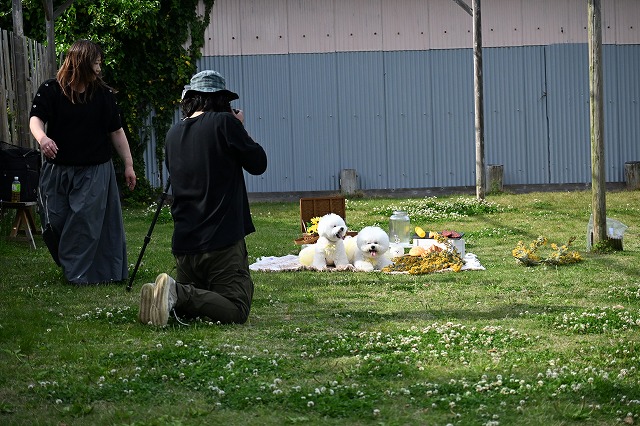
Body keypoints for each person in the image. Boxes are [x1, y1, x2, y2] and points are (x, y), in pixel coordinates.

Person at [139, 70, 267, 326]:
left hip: (185, 245)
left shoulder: (173, 133)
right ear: (222, 100)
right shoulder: (225, 123)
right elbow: (258, 163)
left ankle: (166, 296)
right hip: (221, 242)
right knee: (236, 308)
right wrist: (240, 126)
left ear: (190, 99)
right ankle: (176, 292)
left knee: (197, 307)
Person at [29, 39, 136, 284]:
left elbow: (116, 131)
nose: (99, 69)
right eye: (95, 63)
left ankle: (77, 274)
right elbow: (36, 119)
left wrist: (128, 165)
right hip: (57, 169)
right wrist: (43, 139)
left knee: (83, 223)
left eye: (99, 63)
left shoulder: (103, 95)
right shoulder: (51, 90)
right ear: (81, 64)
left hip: (94, 170)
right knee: (53, 221)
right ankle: (73, 263)